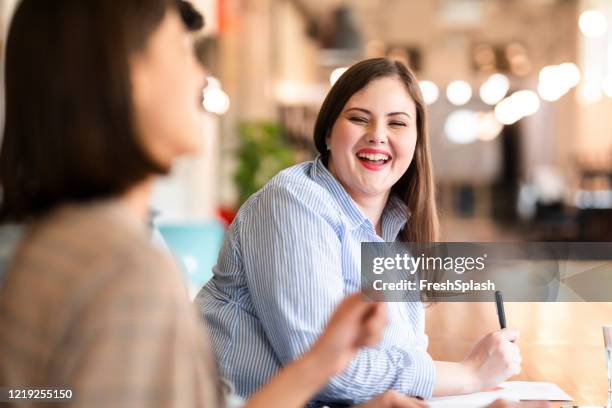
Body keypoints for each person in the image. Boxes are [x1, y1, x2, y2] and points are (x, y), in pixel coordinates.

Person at [0, 1, 428, 407]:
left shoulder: (62, 243)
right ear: (120, 78)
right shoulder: (117, 266)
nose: (202, 77)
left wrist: (322, 362)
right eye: (183, 54)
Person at [198, 58, 522, 405]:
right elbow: (327, 371)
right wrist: (469, 374)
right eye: (358, 118)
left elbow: (399, 361)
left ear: (415, 143)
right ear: (326, 132)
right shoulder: (293, 201)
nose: (377, 136)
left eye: (397, 123)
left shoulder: (397, 227)